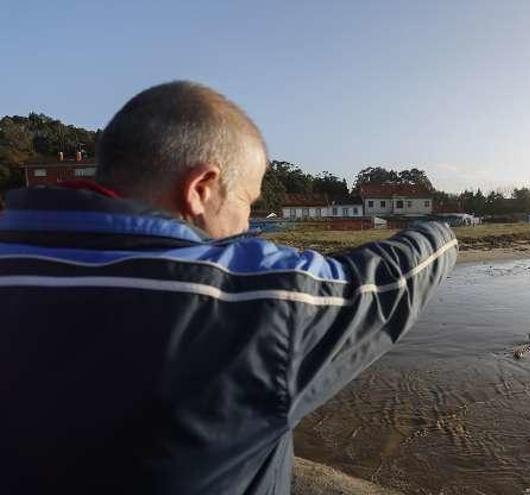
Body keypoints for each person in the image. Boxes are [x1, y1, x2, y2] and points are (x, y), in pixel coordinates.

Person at [0, 81, 457, 494]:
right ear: (201, 188)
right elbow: (388, 282)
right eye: (246, 202)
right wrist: (441, 231)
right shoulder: (247, 301)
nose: (246, 223)